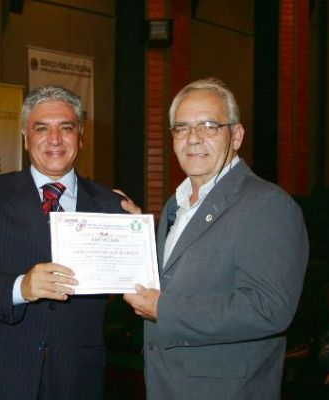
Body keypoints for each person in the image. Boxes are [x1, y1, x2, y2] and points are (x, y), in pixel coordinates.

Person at [0, 85, 139, 400]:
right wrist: (20, 288)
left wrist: (138, 238)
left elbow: (141, 286)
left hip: (77, 377)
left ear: (81, 136)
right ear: (25, 136)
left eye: (66, 128)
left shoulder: (112, 206)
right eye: (42, 128)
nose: (55, 139)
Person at [123, 78, 309, 399]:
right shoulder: (176, 204)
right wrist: (134, 237)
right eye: (182, 128)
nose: (193, 138)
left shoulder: (268, 204)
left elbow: (269, 308)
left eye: (209, 126)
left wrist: (165, 310)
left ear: (236, 136)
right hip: (168, 384)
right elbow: (180, 277)